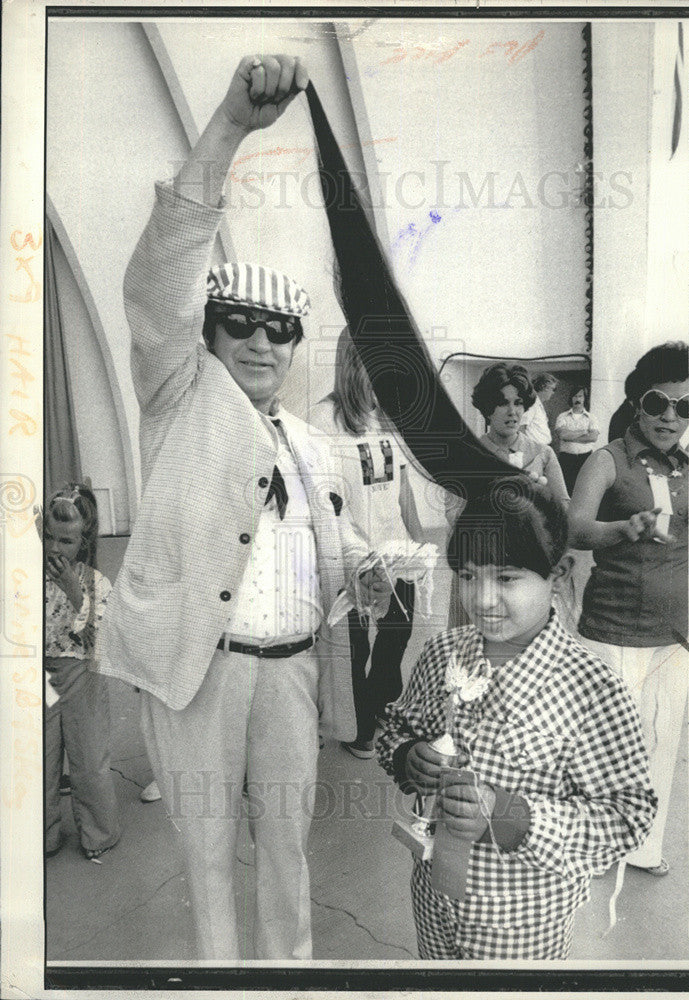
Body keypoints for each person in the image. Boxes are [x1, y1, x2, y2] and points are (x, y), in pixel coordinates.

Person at [96, 54, 387, 960]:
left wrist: (363, 575)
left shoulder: (306, 442)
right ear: (211, 333)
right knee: (210, 855)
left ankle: (288, 977)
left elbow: (329, 550)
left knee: (288, 858)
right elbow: (156, 281)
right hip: (202, 674)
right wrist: (226, 128)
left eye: (281, 330)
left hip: (292, 676)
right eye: (241, 325)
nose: (262, 341)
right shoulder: (178, 395)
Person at [377, 479, 656, 960]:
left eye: (505, 578)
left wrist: (515, 817)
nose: (481, 599)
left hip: (522, 923)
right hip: (432, 900)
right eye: (468, 576)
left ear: (559, 572)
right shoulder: (441, 652)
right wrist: (406, 757)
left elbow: (628, 816)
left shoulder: (592, 689)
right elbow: (397, 726)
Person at [568, 341, 689, 876]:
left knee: (661, 742)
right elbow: (576, 527)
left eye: (684, 408)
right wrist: (623, 528)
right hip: (613, 629)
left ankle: (643, 847)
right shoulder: (606, 460)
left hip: (675, 635)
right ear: (637, 404)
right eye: (660, 403)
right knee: (607, 746)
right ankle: (595, 847)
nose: (670, 417)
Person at [310, 328, 425, 760]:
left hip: (397, 552)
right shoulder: (323, 420)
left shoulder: (389, 415)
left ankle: (379, 707)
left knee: (397, 633)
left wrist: (417, 542)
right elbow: (325, 500)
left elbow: (403, 486)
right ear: (354, 361)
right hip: (352, 556)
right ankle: (357, 724)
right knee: (353, 646)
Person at [44, 485, 120, 861]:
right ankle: (42, 837)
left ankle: (98, 834)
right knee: (40, 760)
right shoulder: (25, 578)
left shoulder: (94, 581)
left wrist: (74, 591)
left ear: (84, 543)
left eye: (68, 541)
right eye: (51, 538)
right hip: (38, 676)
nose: (56, 549)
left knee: (89, 761)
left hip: (82, 672)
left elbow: (102, 636)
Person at [472, 363, 569, 503]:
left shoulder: (544, 453)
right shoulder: (470, 453)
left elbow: (563, 508)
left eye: (518, 403)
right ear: (487, 408)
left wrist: (542, 498)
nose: (512, 412)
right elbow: (455, 513)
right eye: (503, 403)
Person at [554, 385, 600, 493]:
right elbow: (562, 435)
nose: (578, 399)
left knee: (583, 489)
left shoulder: (592, 418)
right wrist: (583, 432)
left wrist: (570, 437)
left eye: (580, 396)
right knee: (566, 489)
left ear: (585, 398)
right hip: (566, 459)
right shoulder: (562, 416)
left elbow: (593, 437)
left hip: (585, 458)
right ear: (571, 398)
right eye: (575, 396)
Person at [520, 371, 557, 447]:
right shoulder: (532, 404)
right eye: (553, 389)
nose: (553, 393)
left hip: (541, 448)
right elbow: (521, 427)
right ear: (544, 387)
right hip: (534, 449)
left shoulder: (538, 404)